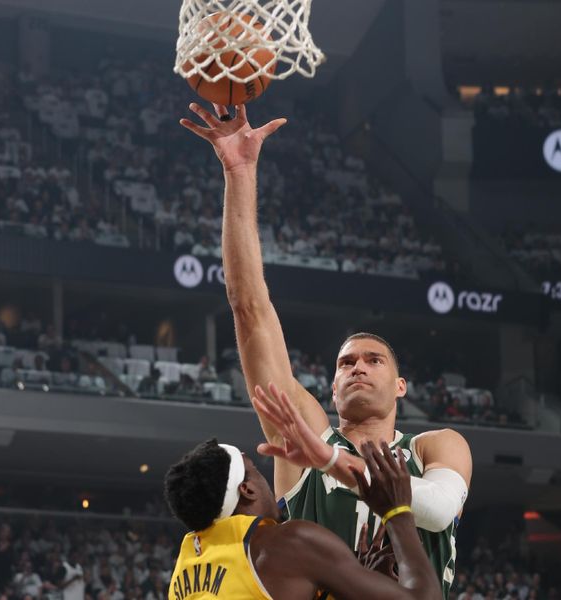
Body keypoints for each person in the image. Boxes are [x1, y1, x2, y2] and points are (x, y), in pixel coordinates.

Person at [181, 101, 473, 598]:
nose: (358, 367)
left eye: (373, 360)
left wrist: (334, 463)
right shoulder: (302, 439)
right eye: (345, 363)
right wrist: (240, 172)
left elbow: (440, 508)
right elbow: (249, 308)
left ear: (401, 385)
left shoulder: (435, 446)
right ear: (331, 388)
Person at [163, 426, 441, 599]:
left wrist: (352, 584)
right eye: (257, 471)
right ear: (247, 490)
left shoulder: (186, 568)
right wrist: (398, 512)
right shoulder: (286, 543)